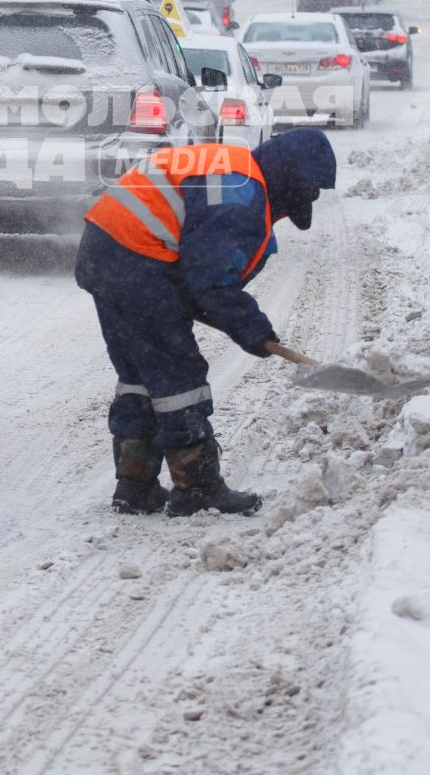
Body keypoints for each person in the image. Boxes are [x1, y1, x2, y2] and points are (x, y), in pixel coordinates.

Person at [76, 129, 337, 517]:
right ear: (289, 179)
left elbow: (197, 278)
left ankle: (135, 483)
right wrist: (253, 329)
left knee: (139, 372)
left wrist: (218, 310)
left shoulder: (231, 168)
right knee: (178, 374)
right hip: (138, 260)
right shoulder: (241, 192)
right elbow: (210, 280)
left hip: (103, 252)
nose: (285, 211)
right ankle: (197, 487)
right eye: (295, 199)